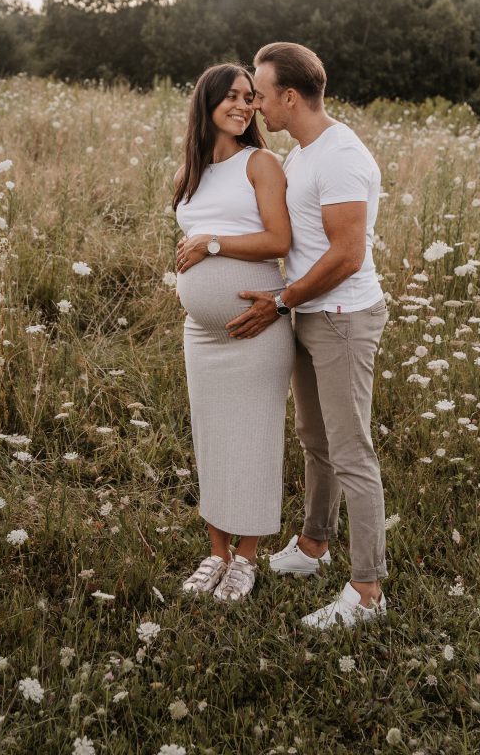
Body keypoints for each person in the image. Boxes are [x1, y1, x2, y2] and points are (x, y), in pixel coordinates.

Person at [225, 42, 389, 630]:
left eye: (262, 95)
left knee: (351, 452)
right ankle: (314, 547)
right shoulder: (302, 153)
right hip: (311, 314)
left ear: (290, 97)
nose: (256, 105)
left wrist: (281, 300)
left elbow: (347, 255)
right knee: (314, 439)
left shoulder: (340, 156)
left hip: (343, 318)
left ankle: (368, 593)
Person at [173, 63, 295, 602]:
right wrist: (190, 266)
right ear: (208, 102)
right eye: (233, 96)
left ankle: (246, 559)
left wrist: (213, 245)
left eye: (250, 98)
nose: (244, 106)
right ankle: (217, 553)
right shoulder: (192, 171)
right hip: (202, 334)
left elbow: (279, 240)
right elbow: (189, 237)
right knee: (212, 438)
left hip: (255, 328)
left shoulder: (260, 163)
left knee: (255, 439)